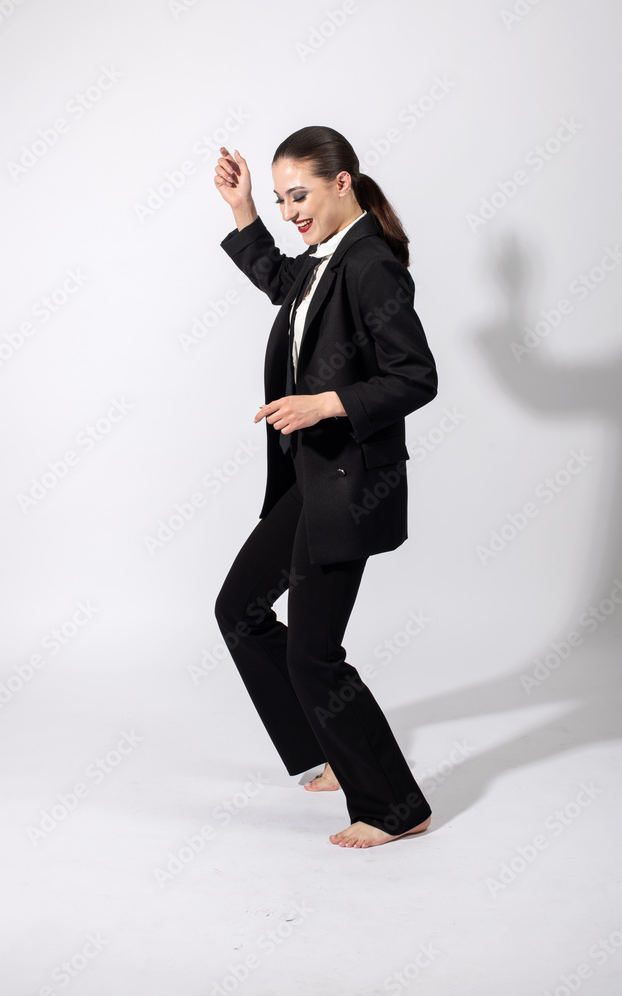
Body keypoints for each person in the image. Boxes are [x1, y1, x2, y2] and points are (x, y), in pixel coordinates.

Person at [212, 126, 438, 848]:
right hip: (311, 481)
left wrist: (326, 404)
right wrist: (244, 211)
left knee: (312, 651)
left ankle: (396, 806)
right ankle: (326, 752)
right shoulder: (326, 259)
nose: (291, 212)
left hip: (348, 485)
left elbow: (416, 377)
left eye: (298, 195)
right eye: (282, 200)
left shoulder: (370, 265)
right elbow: (287, 287)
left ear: (342, 182)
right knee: (240, 609)